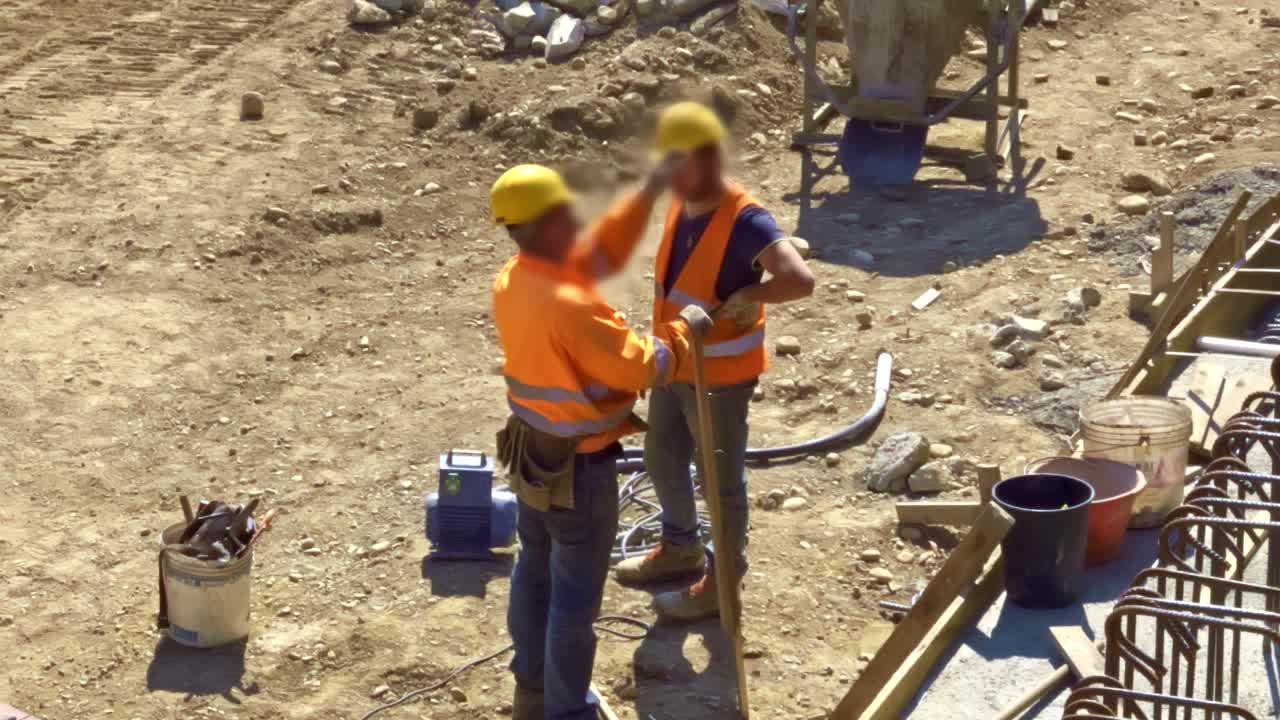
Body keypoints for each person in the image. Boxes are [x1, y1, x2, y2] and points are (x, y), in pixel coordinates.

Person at [490, 161, 711, 720]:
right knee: (572, 598)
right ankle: (566, 711)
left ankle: (532, 692)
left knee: (533, 572)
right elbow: (637, 368)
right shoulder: (570, 299)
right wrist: (687, 331)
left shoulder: (512, 278)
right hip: (579, 469)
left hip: (531, 452)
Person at [614, 101, 816, 622]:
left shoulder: (745, 219)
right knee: (661, 456)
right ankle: (680, 546)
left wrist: (754, 292)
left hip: (720, 379)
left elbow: (800, 279)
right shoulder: (685, 202)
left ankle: (723, 582)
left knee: (719, 483)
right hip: (674, 364)